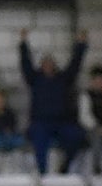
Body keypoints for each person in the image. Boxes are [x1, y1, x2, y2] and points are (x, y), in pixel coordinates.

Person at [20, 28, 88, 174]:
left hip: (62, 122)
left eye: (51, 63)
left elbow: (75, 64)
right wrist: (23, 43)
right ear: (41, 66)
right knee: (39, 141)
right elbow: (25, 64)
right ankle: (42, 173)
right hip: (41, 122)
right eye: (46, 63)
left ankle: (65, 166)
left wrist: (81, 44)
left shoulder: (63, 79)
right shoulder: (35, 79)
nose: (49, 66)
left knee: (77, 136)